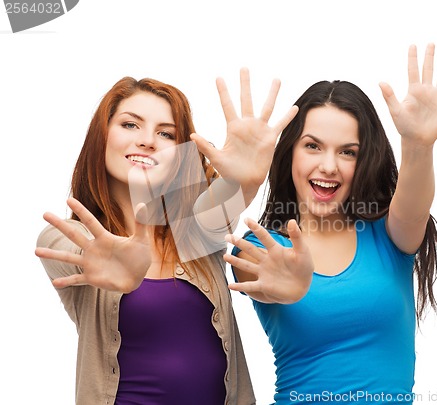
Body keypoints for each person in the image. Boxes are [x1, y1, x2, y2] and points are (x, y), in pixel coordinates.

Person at [226, 44, 437, 404]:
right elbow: (247, 273)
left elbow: (414, 209)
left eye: (347, 151)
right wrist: (286, 286)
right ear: (290, 151)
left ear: (365, 160)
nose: (329, 165)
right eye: (312, 146)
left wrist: (418, 145)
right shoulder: (264, 246)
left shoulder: (389, 236)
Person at [35, 70, 297, 404]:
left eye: (166, 133)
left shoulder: (196, 231)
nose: (147, 140)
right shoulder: (68, 237)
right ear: (102, 136)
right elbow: (62, 249)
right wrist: (113, 264)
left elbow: (231, 196)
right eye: (130, 124)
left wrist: (245, 179)